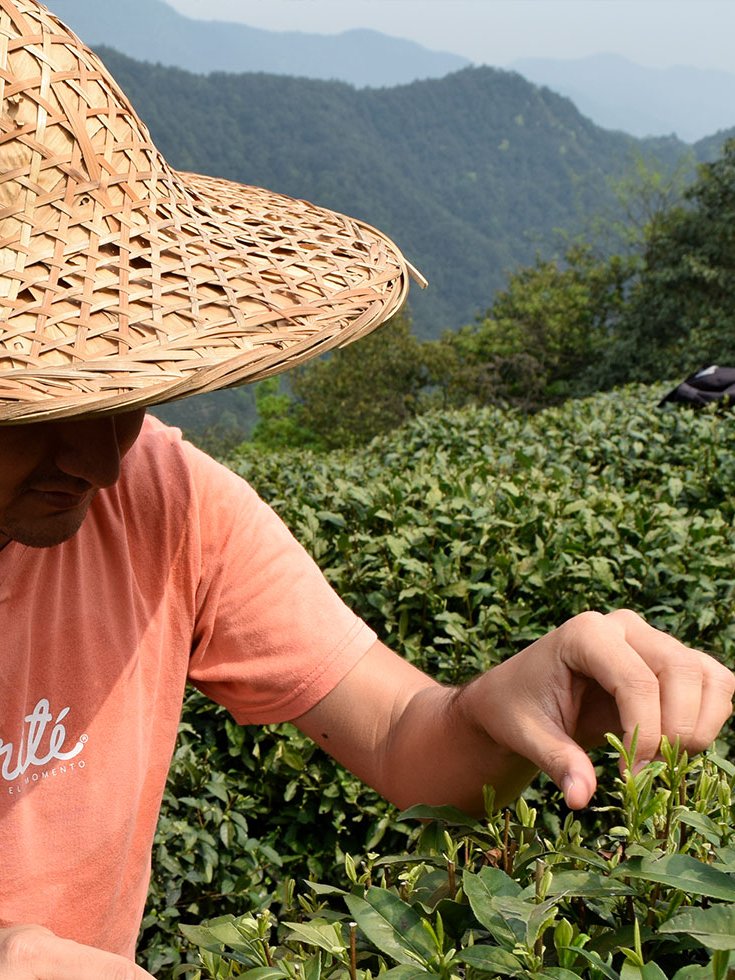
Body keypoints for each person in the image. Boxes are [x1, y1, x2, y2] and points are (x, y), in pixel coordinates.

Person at [0, 2, 732, 977]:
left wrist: (509, 705)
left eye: (127, 388)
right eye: (38, 404)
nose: (99, 457)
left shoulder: (163, 502)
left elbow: (396, 732)